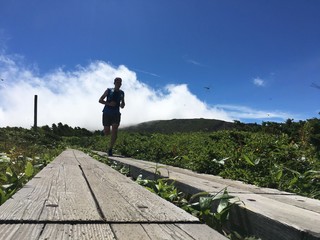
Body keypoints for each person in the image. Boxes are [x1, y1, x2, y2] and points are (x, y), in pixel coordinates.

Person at [99, 77, 125, 156]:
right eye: (117, 82)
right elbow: (100, 100)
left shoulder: (122, 93)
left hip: (116, 113)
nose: (119, 84)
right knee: (107, 132)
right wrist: (109, 104)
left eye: (120, 83)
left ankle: (110, 149)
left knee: (114, 130)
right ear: (114, 83)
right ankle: (103, 131)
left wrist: (122, 105)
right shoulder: (108, 90)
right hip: (107, 113)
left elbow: (123, 103)